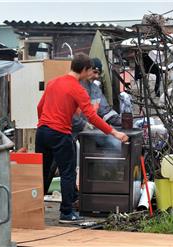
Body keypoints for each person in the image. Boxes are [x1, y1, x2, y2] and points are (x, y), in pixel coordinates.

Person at [35, 53, 128, 224]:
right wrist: (115, 133)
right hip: (60, 134)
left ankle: (32, 210)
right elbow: (92, 117)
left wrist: (44, 124)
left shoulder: (53, 82)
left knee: (40, 172)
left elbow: (40, 107)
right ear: (84, 70)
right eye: (90, 71)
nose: (91, 74)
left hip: (42, 132)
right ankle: (66, 213)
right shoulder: (78, 89)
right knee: (67, 173)